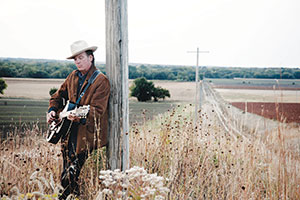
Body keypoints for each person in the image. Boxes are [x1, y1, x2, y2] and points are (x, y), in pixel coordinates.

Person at [47, 40, 110, 199]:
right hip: (68, 132)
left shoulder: (101, 80)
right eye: (75, 59)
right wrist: (53, 110)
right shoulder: (73, 76)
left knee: (70, 174)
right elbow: (57, 96)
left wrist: (79, 115)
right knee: (67, 174)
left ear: (91, 58)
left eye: (81, 57)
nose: (77, 62)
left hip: (86, 136)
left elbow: (98, 110)